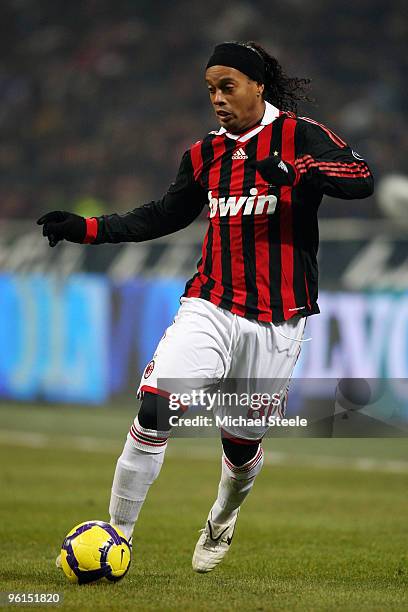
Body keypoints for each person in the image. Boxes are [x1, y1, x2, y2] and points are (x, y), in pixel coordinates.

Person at [38, 41, 374, 573]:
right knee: (155, 407)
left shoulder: (300, 135)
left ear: (258, 85)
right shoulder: (204, 153)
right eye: (210, 89)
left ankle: (221, 518)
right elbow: (163, 216)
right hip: (210, 304)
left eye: (228, 86)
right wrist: (89, 228)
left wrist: (300, 173)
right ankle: (116, 536)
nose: (217, 99)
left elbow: (361, 179)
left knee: (241, 450)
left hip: (279, 319)